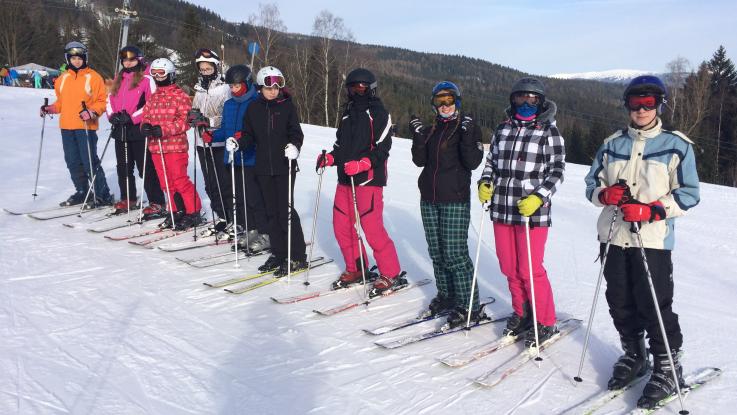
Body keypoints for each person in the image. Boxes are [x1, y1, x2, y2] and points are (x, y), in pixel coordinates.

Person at [584, 75, 700, 409]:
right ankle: (635, 354)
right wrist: (604, 194)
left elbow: (689, 195)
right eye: (635, 103)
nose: (642, 109)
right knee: (619, 299)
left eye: (649, 103)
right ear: (627, 106)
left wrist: (652, 210)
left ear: (659, 104)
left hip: (651, 239)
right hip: (613, 235)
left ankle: (668, 365)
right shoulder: (611, 144)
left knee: (654, 304)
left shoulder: (677, 145)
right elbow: (591, 184)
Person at [478, 77, 565, 347]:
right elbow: (491, 162)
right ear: (512, 100)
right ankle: (522, 312)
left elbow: (558, 170)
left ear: (540, 103)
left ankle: (546, 320)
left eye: (533, 99)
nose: (527, 103)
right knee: (509, 267)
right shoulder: (502, 129)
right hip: (502, 208)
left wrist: (540, 197)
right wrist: (485, 181)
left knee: (529, 268)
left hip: (531, 212)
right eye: (521, 98)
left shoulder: (549, 132)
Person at [316, 68, 402, 297]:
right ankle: (356, 268)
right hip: (345, 179)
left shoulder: (379, 113)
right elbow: (340, 146)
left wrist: (364, 163)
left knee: (372, 229)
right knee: (341, 226)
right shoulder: (347, 113)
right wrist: (331, 158)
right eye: (353, 87)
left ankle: (390, 272)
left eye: (362, 87)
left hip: (369, 181)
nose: (357, 91)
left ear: (371, 89)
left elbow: (384, 148)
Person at [410, 81, 485, 328]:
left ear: (457, 102)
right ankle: (447, 295)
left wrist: (466, 133)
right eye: (439, 101)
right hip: (429, 198)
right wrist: (419, 137)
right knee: (437, 252)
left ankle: (469, 304)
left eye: (449, 100)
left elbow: (473, 162)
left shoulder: (468, 127)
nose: (444, 106)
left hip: (454, 198)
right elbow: (419, 161)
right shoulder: (433, 129)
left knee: (454, 254)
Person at [230, 66, 307, 276]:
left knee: (286, 211)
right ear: (260, 88)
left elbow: (296, 133)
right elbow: (248, 136)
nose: (273, 91)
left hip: (285, 166)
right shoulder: (254, 109)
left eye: (276, 87)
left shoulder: (287, 107)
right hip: (263, 168)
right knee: (270, 212)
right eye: (268, 87)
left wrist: (295, 147)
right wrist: (237, 143)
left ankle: (297, 256)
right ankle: (280, 253)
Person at [40, 41, 114, 207]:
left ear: (85, 58)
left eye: (80, 58)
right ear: (68, 59)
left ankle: (103, 195)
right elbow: (61, 103)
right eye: (73, 58)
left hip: (85, 126)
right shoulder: (62, 79)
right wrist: (50, 108)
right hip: (67, 126)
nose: (77, 61)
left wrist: (92, 112)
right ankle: (82, 191)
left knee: (89, 161)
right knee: (72, 161)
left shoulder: (94, 77)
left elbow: (102, 102)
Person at [209, 64, 269, 251]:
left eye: (238, 86)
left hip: (251, 158)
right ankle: (250, 229)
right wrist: (213, 136)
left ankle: (264, 233)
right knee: (240, 198)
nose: (234, 90)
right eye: (231, 87)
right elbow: (226, 130)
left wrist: (244, 138)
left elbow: (260, 131)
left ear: (248, 83)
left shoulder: (257, 102)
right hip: (232, 158)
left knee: (254, 198)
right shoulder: (229, 104)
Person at [140, 58, 203, 230]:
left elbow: (185, 122)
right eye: (154, 74)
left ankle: (193, 211)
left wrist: (163, 130)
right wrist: (145, 125)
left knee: (180, 180)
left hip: (175, 146)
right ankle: (176, 210)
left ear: (171, 74)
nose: (158, 77)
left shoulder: (180, 96)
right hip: (156, 147)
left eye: (161, 73)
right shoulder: (153, 97)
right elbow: (146, 115)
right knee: (166, 182)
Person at [106, 45, 166, 219]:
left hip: (138, 129)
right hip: (120, 128)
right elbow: (109, 100)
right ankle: (128, 198)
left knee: (145, 167)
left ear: (139, 59)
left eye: (131, 59)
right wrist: (112, 116)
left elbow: (151, 104)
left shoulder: (147, 79)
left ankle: (157, 202)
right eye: (125, 60)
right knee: (123, 167)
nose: (128, 62)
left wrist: (132, 118)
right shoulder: (119, 78)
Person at [191, 48, 231, 236]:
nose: (205, 72)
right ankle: (221, 216)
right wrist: (192, 117)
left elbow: (228, 116)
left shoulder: (224, 89)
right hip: (201, 142)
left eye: (208, 68)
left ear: (216, 67)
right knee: (209, 184)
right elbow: (195, 110)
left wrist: (208, 122)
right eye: (202, 69)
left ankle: (231, 216)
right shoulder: (199, 89)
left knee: (223, 182)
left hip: (219, 142)